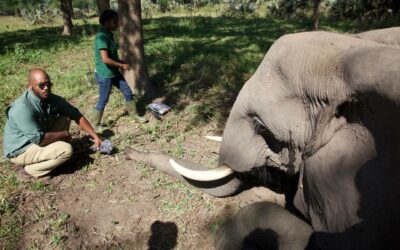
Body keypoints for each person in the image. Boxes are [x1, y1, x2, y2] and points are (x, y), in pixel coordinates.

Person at [3, 68, 102, 181]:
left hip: (36, 137)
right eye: (41, 85)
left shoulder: (50, 98)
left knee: (64, 119)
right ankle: (28, 171)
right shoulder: (22, 109)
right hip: (20, 149)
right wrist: (63, 134)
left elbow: (76, 115)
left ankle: (52, 157)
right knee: (66, 150)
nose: (46, 88)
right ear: (30, 86)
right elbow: (40, 139)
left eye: (48, 84)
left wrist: (95, 136)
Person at [92, 9, 147, 129]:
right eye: (114, 21)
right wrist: (121, 65)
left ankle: (134, 114)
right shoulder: (101, 37)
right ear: (106, 22)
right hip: (105, 74)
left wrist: (120, 62)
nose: (117, 24)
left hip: (113, 71)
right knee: (103, 99)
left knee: (127, 91)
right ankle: (95, 124)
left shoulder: (107, 34)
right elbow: (105, 59)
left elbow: (110, 56)